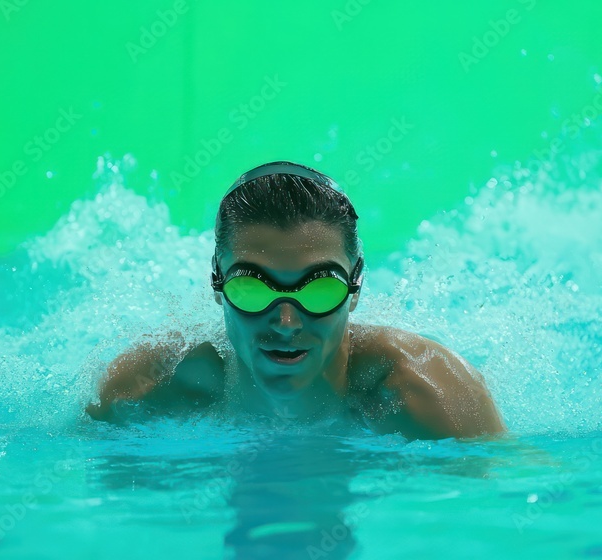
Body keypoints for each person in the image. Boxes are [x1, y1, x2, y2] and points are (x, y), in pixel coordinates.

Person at [85, 161, 505, 439]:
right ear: (217, 283)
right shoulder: (144, 389)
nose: (286, 322)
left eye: (319, 288)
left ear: (355, 287)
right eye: (253, 287)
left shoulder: (429, 395)